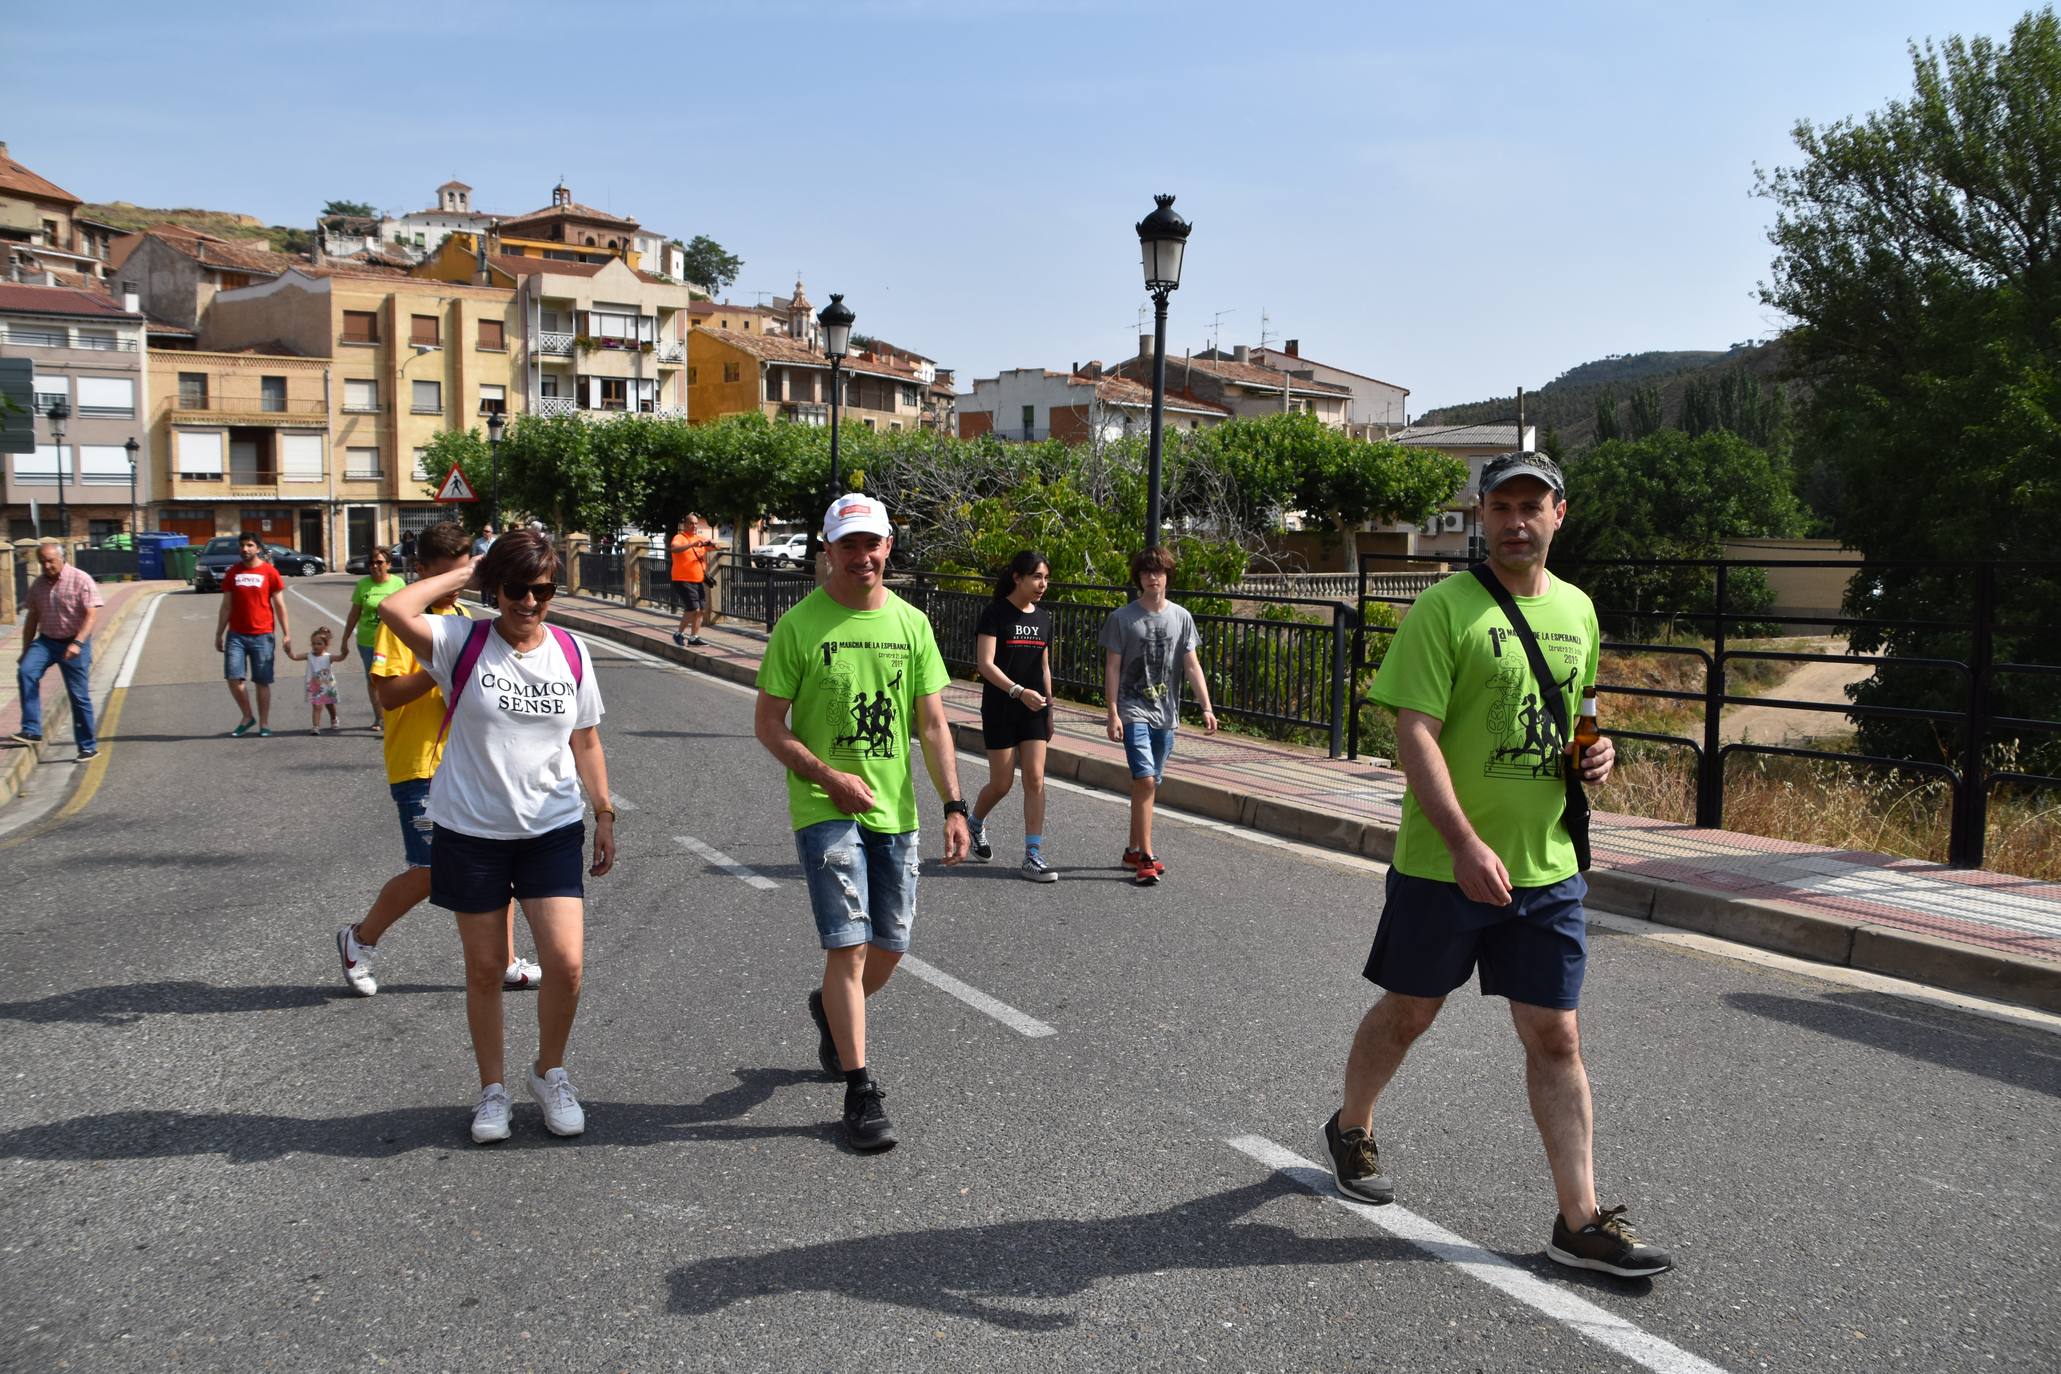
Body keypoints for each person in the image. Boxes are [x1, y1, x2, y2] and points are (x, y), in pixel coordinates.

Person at [1321, 451, 1673, 1279]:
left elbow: (1581, 714)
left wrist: (1597, 755)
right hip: (1445, 866)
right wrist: (1462, 843)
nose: (1517, 521)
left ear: (1560, 514)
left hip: (1546, 867)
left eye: (1533, 506)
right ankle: (1351, 1126)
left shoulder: (1579, 610)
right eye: (1502, 506)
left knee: (1555, 1035)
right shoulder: (1444, 610)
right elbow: (1413, 735)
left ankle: (1578, 1220)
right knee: (1410, 1012)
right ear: (1481, 517)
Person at [378, 527, 613, 1145]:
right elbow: (392, 607)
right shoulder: (460, 639)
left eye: (542, 590)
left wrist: (605, 811)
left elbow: (584, 737)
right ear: (494, 588)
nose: (529, 602)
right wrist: (471, 571)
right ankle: (492, 1091)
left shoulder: (570, 650)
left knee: (564, 964)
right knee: (485, 970)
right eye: (515, 589)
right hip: (472, 832)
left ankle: (549, 1071)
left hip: (551, 829)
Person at [753, 492, 970, 1153]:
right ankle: (860, 1089)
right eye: (848, 544)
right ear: (827, 550)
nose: (862, 556)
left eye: (872, 543)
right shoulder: (799, 626)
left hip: (893, 808)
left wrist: (954, 804)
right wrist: (826, 777)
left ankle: (829, 1007)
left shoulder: (910, 624)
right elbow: (768, 724)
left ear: (887, 549)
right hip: (824, 806)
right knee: (846, 946)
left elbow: (931, 724)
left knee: (891, 945)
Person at [336, 522, 538, 1000]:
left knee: (500, 861)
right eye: (451, 577)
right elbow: (385, 695)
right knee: (431, 870)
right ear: (423, 572)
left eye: (466, 576)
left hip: (470, 764)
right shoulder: (402, 624)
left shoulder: (466, 619)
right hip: (418, 763)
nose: (459, 586)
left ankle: (507, 961)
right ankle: (359, 938)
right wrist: (438, 667)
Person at [1099, 546, 1216, 887]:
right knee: (1146, 779)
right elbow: (1113, 667)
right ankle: (1147, 858)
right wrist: (1112, 712)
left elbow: (1192, 665)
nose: (1154, 577)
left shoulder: (1181, 617)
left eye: (1159, 572)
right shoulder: (1122, 618)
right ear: (1138, 578)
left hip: (1166, 712)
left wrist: (1206, 707)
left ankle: (1132, 850)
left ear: (1167, 577)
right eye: (1147, 572)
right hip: (1133, 709)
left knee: (1147, 784)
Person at [969, 550, 1057, 882]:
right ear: (1017, 577)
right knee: (1002, 783)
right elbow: (985, 664)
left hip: (1034, 710)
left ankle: (1032, 855)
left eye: (1046, 578)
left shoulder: (1044, 618)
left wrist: (1049, 707)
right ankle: (975, 822)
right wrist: (1018, 691)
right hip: (1001, 707)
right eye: (1036, 577)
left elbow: (1045, 666)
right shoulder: (995, 614)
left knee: (1035, 779)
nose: (1042, 584)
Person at [12, 540, 103, 759]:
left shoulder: (81, 579)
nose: (46, 566)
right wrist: (26, 650)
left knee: (78, 696)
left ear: (62, 558)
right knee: (26, 671)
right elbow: (32, 617)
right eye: (42, 562)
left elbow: (91, 615)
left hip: (74, 642)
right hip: (46, 641)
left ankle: (87, 746)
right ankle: (32, 730)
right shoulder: (38, 585)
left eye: (50, 561)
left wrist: (78, 643)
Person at [215, 531, 290, 737]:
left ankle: (264, 724)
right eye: (242, 545)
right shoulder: (233, 573)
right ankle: (247, 716)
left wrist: (286, 633)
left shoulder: (269, 572)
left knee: (261, 681)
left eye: (249, 545)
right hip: (236, 635)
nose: (245, 549)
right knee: (233, 677)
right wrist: (219, 633)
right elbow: (226, 606)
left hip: (263, 635)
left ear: (257, 548)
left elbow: (280, 605)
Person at [341, 547, 405, 734]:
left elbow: (407, 611)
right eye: (372, 563)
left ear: (389, 564)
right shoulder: (363, 585)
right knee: (373, 680)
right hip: (368, 641)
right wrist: (344, 639)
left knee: (395, 677)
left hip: (392, 640)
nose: (375, 566)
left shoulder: (398, 583)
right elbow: (354, 614)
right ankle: (380, 717)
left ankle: (394, 716)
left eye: (379, 562)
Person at [668, 514, 720, 647]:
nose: (694, 526)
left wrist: (713, 544)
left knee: (700, 609)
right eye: (691, 523)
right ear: (685, 524)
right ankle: (678, 634)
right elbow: (674, 549)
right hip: (682, 579)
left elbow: (715, 548)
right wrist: (691, 544)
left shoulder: (699, 538)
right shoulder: (679, 538)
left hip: (698, 579)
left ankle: (693, 637)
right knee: (692, 608)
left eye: (696, 523)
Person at [282, 626, 342, 734]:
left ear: (326, 645)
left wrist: (345, 652)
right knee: (317, 706)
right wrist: (288, 651)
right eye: (314, 643)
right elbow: (294, 657)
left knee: (329, 704)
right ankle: (316, 727)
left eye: (319, 644)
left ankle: (334, 718)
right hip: (315, 686)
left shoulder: (329, 657)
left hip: (327, 685)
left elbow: (340, 658)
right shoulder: (309, 656)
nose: (316, 646)